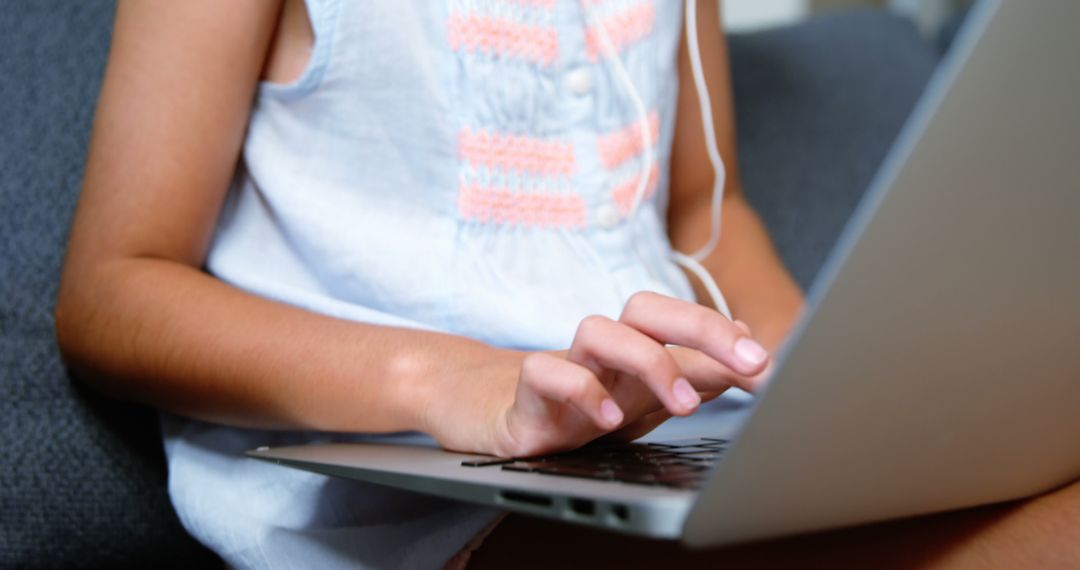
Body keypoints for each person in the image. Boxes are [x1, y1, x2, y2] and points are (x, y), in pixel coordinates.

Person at [54, 1, 1078, 568]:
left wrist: (817, 389)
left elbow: (701, 223)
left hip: (647, 450)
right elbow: (113, 290)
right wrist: (461, 384)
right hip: (401, 490)